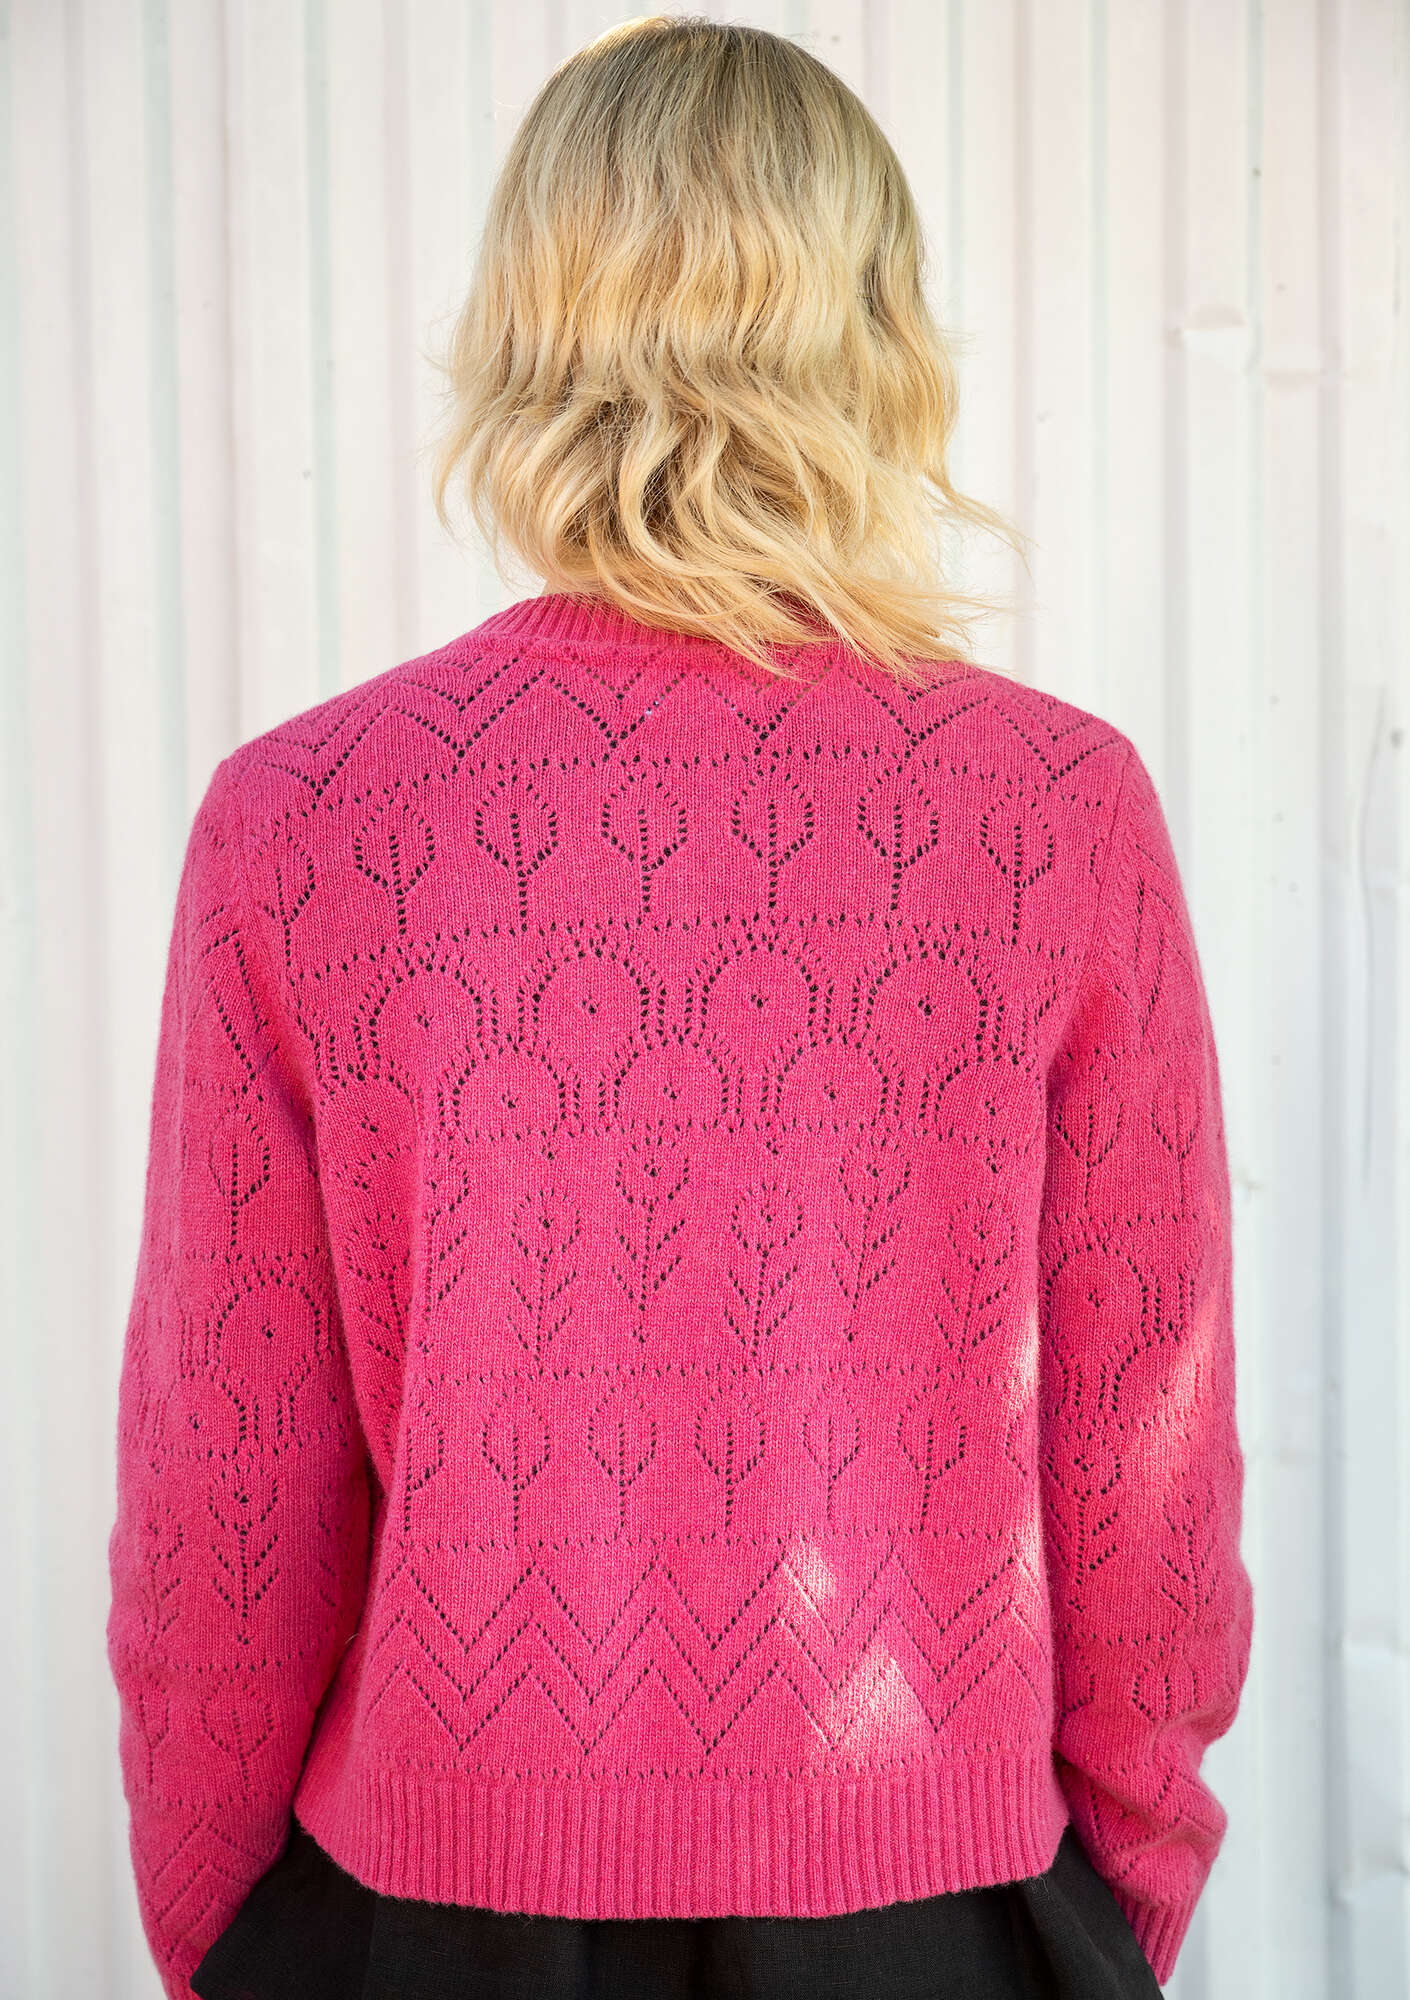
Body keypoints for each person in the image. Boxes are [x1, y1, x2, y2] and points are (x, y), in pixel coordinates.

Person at [105, 16, 1254, 1999]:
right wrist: (1108, 1907)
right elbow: (1146, 1461)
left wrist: (226, 1931)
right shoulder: (1053, 811)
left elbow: (223, 1489)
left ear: (523, 337)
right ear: (880, 336)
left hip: (433, 1920)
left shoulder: (304, 820)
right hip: (934, 1914)